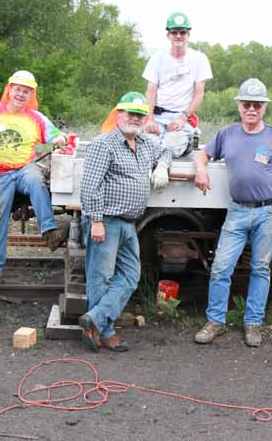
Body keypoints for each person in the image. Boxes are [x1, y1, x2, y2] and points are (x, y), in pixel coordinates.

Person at [193, 78, 272, 348]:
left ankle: (253, 323)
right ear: (239, 106)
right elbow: (202, 155)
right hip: (237, 211)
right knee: (220, 268)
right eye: (247, 104)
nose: (252, 109)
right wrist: (201, 169)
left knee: (260, 268)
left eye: (257, 105)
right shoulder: (227, 134)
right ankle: (215, 321)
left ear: (264, 108)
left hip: (267, 211)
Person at [78, 92, 172, 352]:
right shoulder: (104, 144)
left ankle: (94, 319)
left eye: (139, 115)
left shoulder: (145, 142)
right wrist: (96, 220)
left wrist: (162, 166)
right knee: (102, 277)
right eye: (130, 113)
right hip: (106, 220)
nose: (134, 119)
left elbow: (166, 149)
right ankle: (104, 332)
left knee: (131, 275)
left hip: (129, 222)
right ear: (118, 114)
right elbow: (90, 186)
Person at [0, 70, 68, 285]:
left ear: (31, 94)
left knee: (37, 181)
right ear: (9, 90)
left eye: (26, 91)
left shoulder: (36, 118)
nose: (20, 94)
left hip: (24, 169)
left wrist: (60, 139)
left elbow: (57, 135)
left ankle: (49, 230)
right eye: (17, 89)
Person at [142, 11, 213, 156]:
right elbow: (151, 91)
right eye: (174, 32)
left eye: (183, 32)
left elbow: (199, 95)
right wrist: (149, 119)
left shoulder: (199, 59)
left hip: (181, 117)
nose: (179, 36)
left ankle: (188, 140)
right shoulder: (157, 58)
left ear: (188, 34)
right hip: (158, 116)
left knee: (172, 149)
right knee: (147, 147)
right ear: (168, 35)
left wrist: (182, 118)